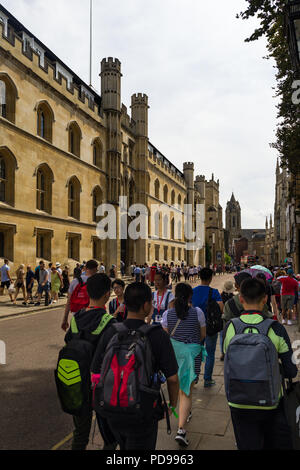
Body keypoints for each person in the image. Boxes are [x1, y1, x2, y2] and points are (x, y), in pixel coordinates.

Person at [91, 282, 179, 451]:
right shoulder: (157, 335)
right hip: (142, 412)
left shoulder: (111, 331)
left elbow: (95, 373)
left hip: (112, 410)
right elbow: (173, 379)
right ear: (146, 305)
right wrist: (172, 405)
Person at [223, 277, 298, 450]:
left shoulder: (230, 328)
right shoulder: (276, 329)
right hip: (270, 401)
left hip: (238, 401)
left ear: (240, 298)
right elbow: (291, 371)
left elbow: (228, 357)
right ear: (265, 299)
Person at [64, 273, 118, 450]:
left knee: (80, 434)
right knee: (110, 437)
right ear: (107, 295)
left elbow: (68, 342)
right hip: (102, 387)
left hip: (77, 383)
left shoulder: (76, 319)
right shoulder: (110, 323)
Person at [162, 282, 206, 447]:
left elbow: (166, 337)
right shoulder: (198, 312)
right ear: (190, 296)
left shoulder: (168, 314)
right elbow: (202, 335)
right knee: (186, 392)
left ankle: (184, 414)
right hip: (191, 356)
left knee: (178, 388)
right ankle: (181, 430)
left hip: (174, 356)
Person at [192, 268, 223, 388]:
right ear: (211, 278)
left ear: (199, 276)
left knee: (196, 352)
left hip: (196, 327)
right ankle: (208, 379)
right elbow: (221, 308)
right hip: (210, 327)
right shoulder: (214, 292)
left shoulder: (193, 291)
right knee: (210, 353)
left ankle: (194, 377)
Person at [61, 259, 98, 332]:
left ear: (85, 268)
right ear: (95, 269)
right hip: (92, 318)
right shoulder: (97, 282)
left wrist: (65, 320)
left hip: (77, 318)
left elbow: (69, 302)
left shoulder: (75, 281)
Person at [219, 280, 235, 361]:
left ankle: (222, 353)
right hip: (232, 320)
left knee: (222, 336)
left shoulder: (220, 296)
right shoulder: (233, 298)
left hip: (223, 319)